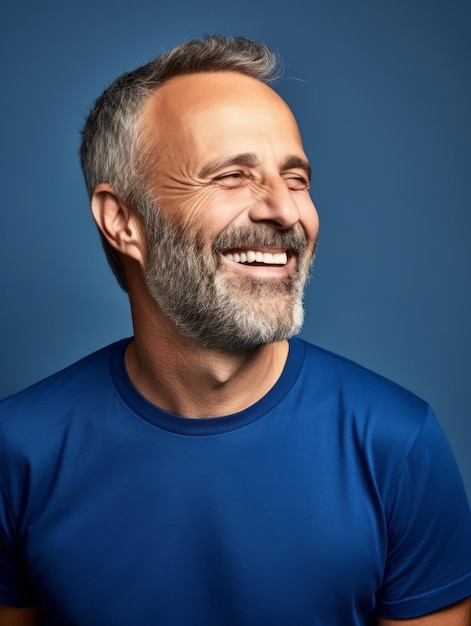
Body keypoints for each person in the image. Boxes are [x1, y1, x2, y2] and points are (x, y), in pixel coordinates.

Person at [0, 34, 470, 626]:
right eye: (231, 176)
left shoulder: (397, 445)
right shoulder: (18, 450)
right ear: (123, 221)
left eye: (296, 179)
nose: (283, 209)